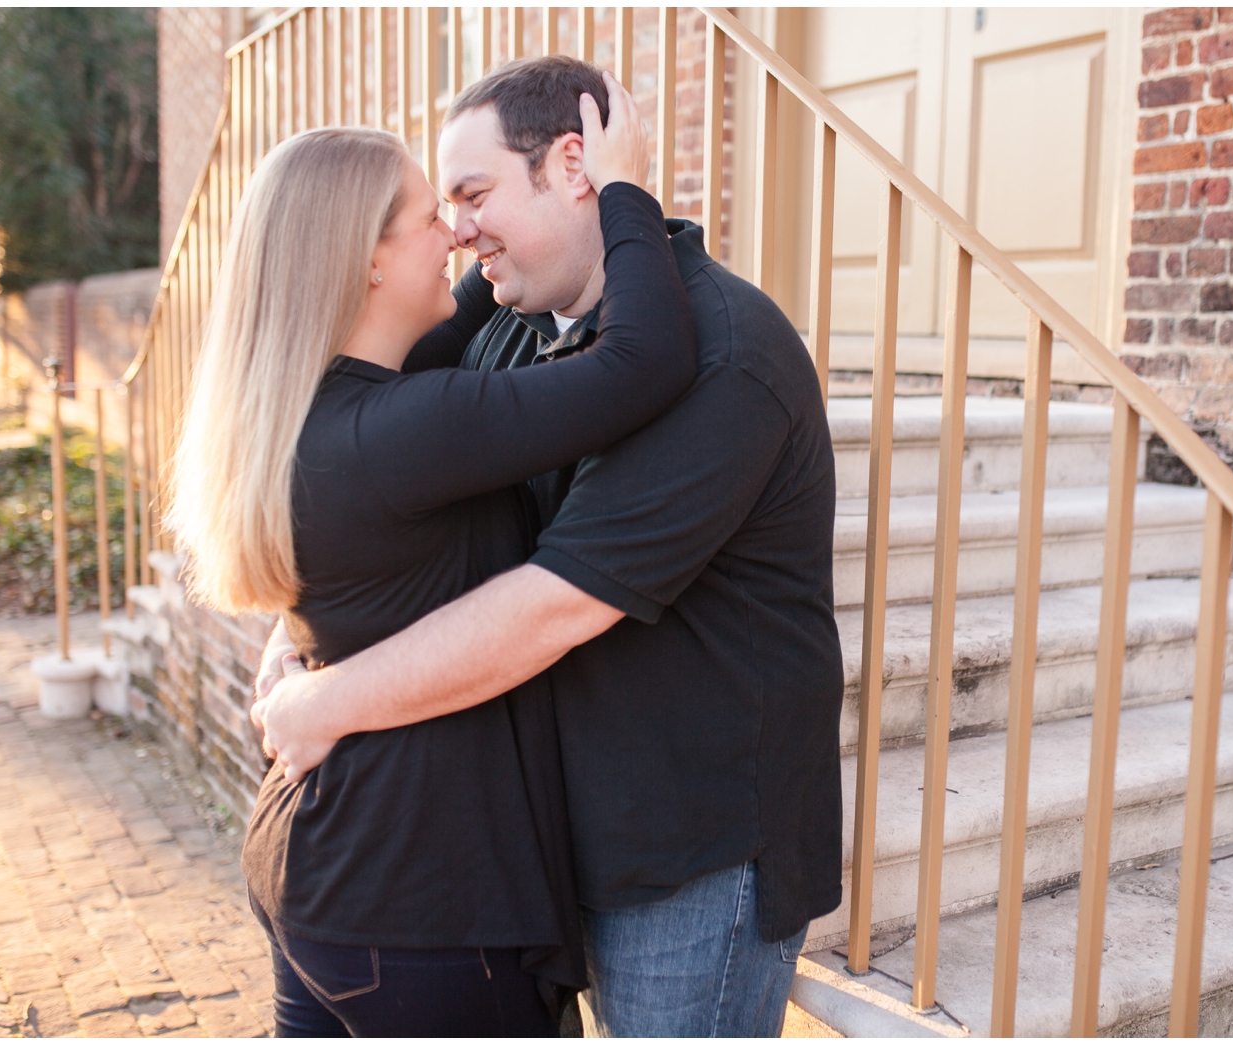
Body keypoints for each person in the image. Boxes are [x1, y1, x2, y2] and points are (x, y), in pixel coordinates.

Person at [253, 55, 844, 1037]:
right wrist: (303, 617)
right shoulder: (511, 325)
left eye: (475, 194)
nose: (457, 229)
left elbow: (556, 601)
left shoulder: (725, 356)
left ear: (577, 168)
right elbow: (358, 467)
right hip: (555, 833)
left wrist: (326, 699)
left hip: (685, 859)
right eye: (441, 206)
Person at [166, 71, 696, 1037]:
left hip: (321, 872)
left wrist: (515, 230)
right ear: (364, 260)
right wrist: (620, 186)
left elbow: (457, 319)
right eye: (429, 216)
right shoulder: (405, 428)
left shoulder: (307, 411)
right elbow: (646, 363)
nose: (455, 234)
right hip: (426, 907)